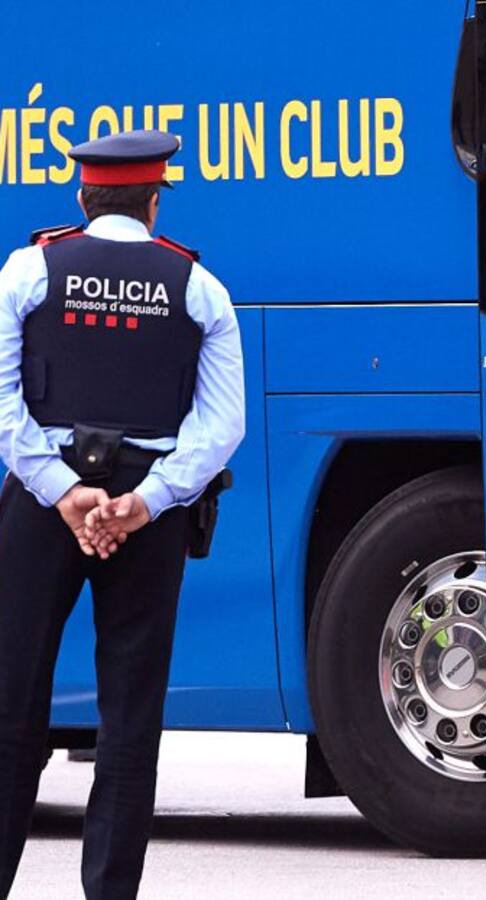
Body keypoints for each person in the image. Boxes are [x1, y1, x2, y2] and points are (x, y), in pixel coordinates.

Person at [0, 129, 245, 899]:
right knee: (130, 718)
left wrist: (60, 489)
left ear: (83, 195)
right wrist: (147, 500)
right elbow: (223, 425)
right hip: (148, 514)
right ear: (153, 201)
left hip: (42, 503)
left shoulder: (29, 270)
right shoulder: (198, 286)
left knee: (10, 705)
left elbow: (4, 400)